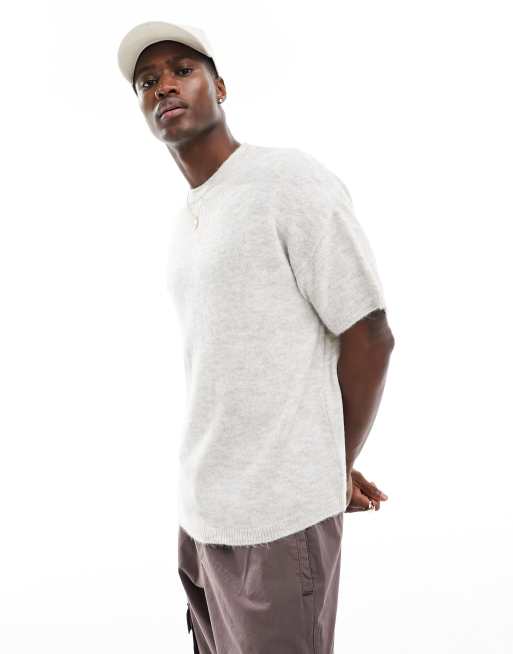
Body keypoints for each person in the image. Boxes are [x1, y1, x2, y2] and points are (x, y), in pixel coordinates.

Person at [117, 20, 395, 654]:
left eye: (182, 71)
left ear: (220, 86)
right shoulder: (190, 217)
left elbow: (370, 334)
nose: (164, 87)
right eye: (147, 81)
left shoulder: (286, 181)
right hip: (201, 519)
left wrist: (332, 465)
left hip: (277, 522)